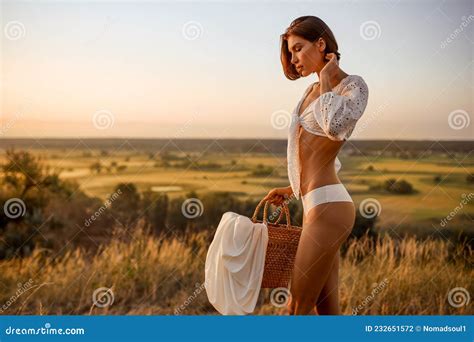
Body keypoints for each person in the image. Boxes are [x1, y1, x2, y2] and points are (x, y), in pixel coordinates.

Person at [263, 16, 369, 315]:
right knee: (326, 311)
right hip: (313, 204)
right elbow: (310, 152)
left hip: (330, 207)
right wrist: (291, 188)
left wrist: (325, 80)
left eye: (298, 48)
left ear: (321, 44)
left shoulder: (353, 87)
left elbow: (334, 127)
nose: (294, 58)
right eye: (290, 52)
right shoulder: (309, 91)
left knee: (297, 307)